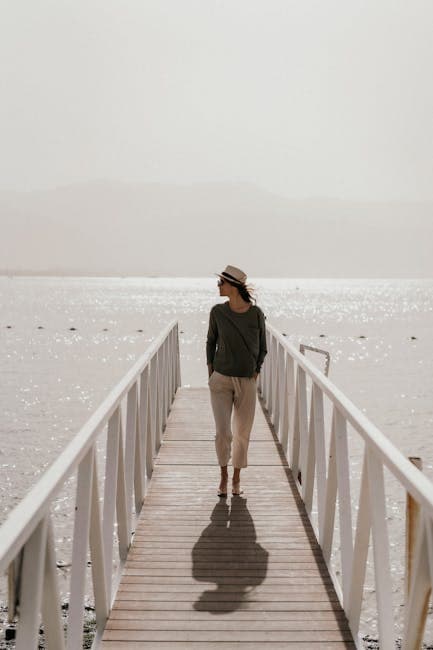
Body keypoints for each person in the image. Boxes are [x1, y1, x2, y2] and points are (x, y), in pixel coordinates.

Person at [206, 265, 267, 497]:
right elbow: (211, 342)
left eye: (221, 282)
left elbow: (263, 347)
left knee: (242, 432)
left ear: (233, 285)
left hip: (246, 381)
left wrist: (255, 372)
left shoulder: (256, 314)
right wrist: (211, 372)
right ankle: (223, 477)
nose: (218, 286)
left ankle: (236, 479)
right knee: (223, 432)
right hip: (220, 380)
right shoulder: (217, 312)